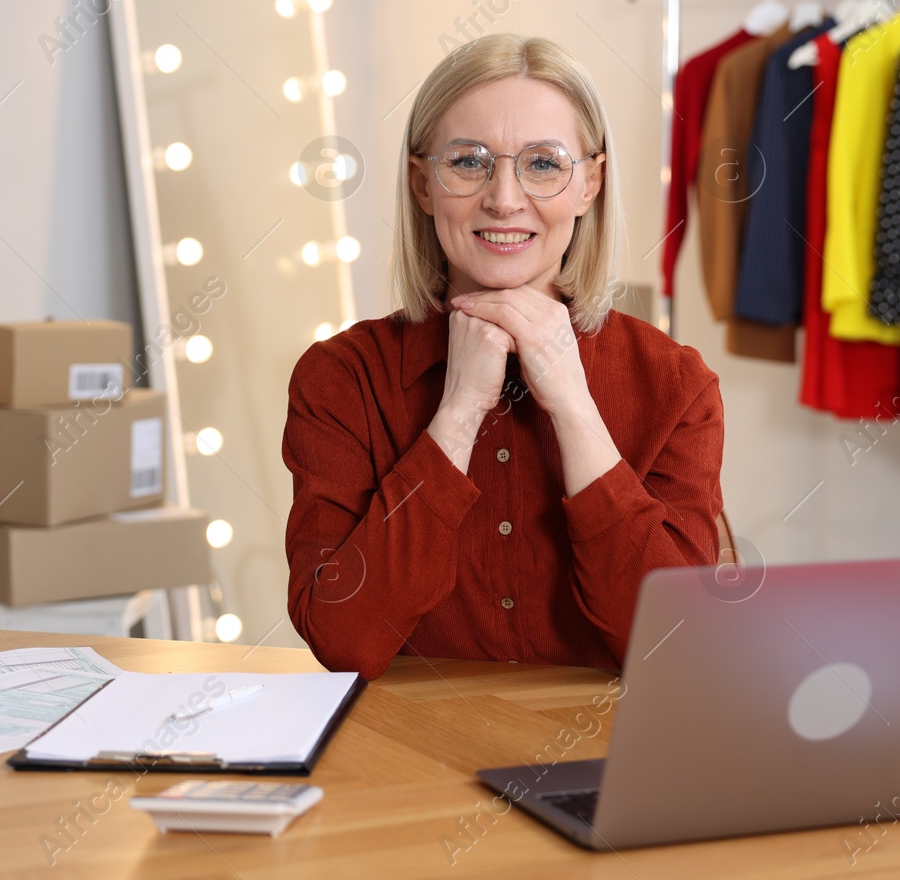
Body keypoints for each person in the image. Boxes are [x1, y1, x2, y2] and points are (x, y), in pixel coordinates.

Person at [282, 33, 724, 680]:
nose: (505, 198)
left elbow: (678, 648)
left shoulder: (676, 383)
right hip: (407, 771)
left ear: (590, 184)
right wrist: (456, 414)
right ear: (422, 183)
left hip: (603, 770)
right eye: (469, 161)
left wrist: (574, 406)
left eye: (544, 163)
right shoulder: (341, 378)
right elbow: (345, 638)